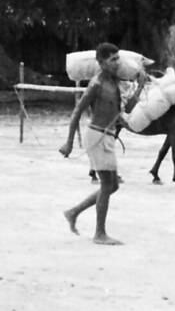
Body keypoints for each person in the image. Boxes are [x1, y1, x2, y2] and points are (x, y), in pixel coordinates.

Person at [59, 43, 147, 245]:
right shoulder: (96, 84)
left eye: (118, 58)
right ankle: (99, 233)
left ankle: (74, 212)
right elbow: (77, 112)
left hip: (106, 135)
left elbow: (126, 109)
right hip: (97, 135)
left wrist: (140, 86)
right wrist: (69, 143)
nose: (117, 63)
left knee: (112, 185)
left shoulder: (115, 83)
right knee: (108, 185)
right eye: (112, 59)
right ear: (100, 62)